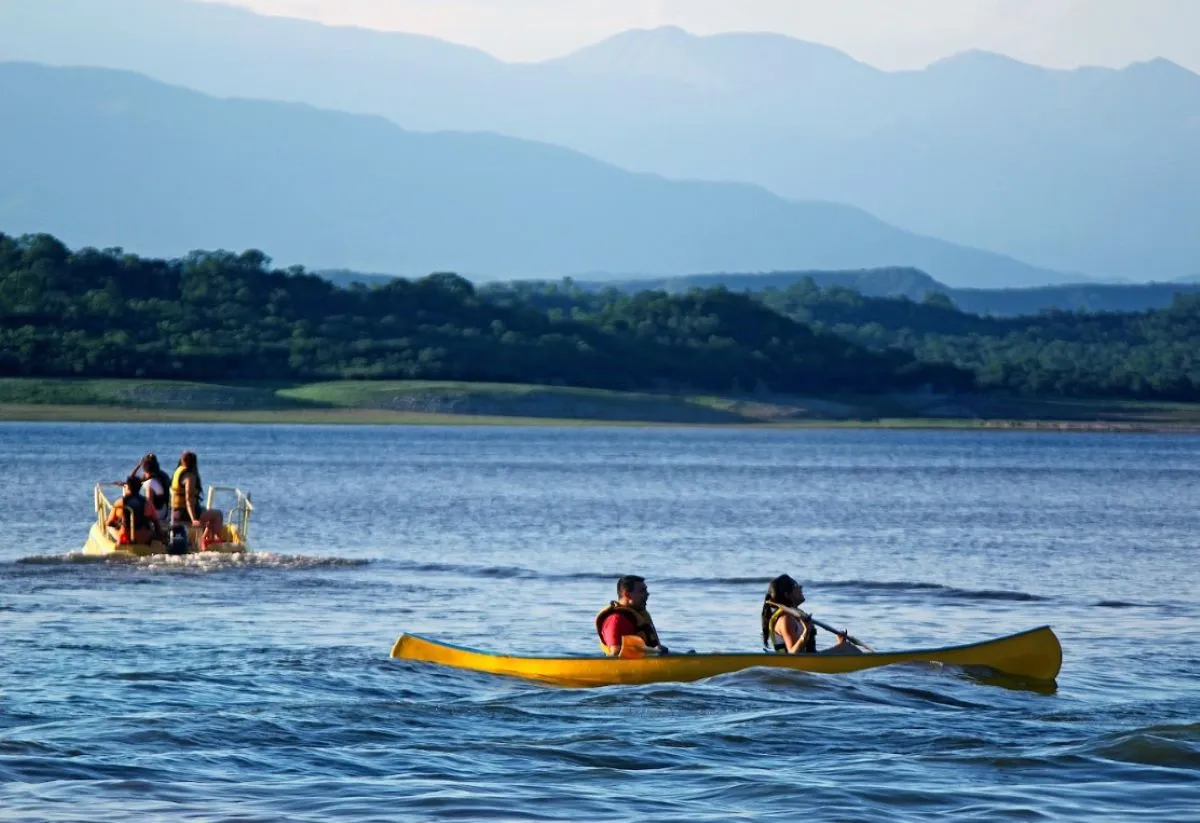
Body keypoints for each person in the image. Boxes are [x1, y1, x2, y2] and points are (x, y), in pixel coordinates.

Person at [761, 574, 861, 656]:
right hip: (800, 663)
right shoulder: (785, 619)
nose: (800, 587)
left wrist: (840, 643)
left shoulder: (796, 615)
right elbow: (793, 655)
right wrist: (806, 632)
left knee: (845, 646)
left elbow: (810, 651)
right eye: (795, 585)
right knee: (847, 648)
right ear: (787, 595)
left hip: (811, 659)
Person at [595, 575, 669, 657]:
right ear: (628, 595)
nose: (647, 594)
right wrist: (653, 652)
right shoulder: (617, 619)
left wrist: (655, 651)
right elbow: (616, 654)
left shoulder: (639, 615)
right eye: (642, 591)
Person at [170, 451, 223, 535]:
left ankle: (205, 537)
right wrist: (193, 519)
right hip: (184, 513)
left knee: (205, 510)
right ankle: (213, 539)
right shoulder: (189, 476)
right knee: (218, 514)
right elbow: (189, 499)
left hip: (175, 511)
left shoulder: (178, 471)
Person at [106, 475, 163, 546]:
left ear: (128, 487)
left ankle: (118, 542)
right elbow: (156, 524)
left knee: (108, 526)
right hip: (144, 538)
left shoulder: (119, 503)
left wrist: (118, 525)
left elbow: (109, 522)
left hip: (126, 537)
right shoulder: (148, 503)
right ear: (140, 487)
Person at [137, 453, 172, 529]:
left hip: (157, 513)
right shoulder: (162, 475)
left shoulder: (150, 483)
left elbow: (149, 504)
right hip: (164, 510)